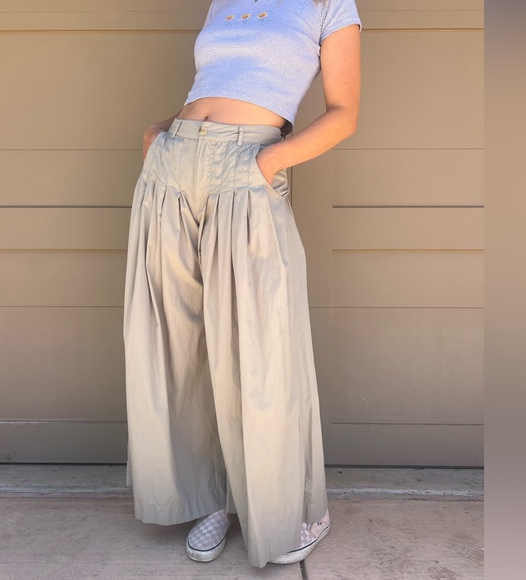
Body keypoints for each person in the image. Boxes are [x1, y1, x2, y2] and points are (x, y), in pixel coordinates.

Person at [123, 0, 361, 569]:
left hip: (247, 164)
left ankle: (295, 507)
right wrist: (163, 131)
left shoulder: (330, 5)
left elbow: (344, 112)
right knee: (179, 344)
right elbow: (218, 81)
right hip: (174, 165)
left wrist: (268, 161)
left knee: (260, 344)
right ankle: (212, 498)